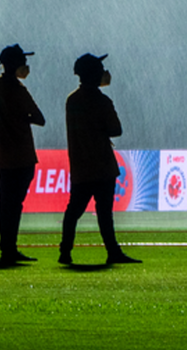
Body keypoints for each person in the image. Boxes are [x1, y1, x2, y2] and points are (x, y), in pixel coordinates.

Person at [58, 53, 141, 266]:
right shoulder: (102, 101)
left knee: (73, 211)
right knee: (105, 213)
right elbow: (116, 129)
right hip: (103, 166)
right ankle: (113, 252)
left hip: (81, 166)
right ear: (95, 74)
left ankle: (65, 251)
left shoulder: (72, 100)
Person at [0, 44, 45, 267]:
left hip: (3, 156)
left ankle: (7, 248)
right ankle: (10, 248)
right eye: (23, 62)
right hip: (22, 156)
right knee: (15, 205)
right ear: (15, 65)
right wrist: (23, 118)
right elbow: (39, 118)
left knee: (5, 205)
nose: (26, 66)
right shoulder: (18, 89)